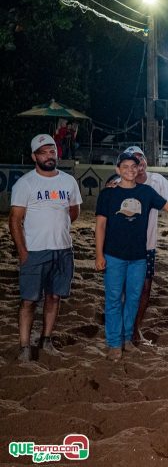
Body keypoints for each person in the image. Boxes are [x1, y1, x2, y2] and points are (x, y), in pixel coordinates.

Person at [95, 152, 168, 361]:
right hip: (113, 256)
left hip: (139, 257)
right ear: (118, 170)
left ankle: (127, 339)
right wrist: (98, 255)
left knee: (133, 299)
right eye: (126, 166)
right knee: (113, 300)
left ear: (139, 168)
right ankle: (113, 343)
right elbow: (100, 225)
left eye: (134, 166)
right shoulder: (107, 195)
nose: (130, 170)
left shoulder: (147, 192)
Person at [9, 134, 82, 362]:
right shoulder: (26, 183)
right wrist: (23, 253)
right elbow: (14, 220)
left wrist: (58, 228)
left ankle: (46, 339)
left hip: (62, 249)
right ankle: (24, 347)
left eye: (52, 151)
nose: (49, 156)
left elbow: (74, 211)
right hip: (35, 251)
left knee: (54, 297)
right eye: (43, 152)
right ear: (34, 156)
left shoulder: (68, 181)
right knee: (29, 300)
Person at [120, 146, 168, 345]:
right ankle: (121, 331)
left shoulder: (156, 182)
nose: (140, 163)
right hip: (120, 246)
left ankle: (135, 329)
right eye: (135, 160)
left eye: (141, 158)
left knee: (145, 288)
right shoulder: (116, 185)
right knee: (122, 290)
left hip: (147, 246)